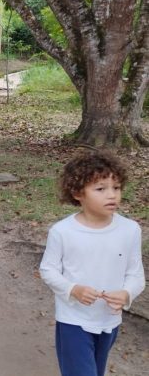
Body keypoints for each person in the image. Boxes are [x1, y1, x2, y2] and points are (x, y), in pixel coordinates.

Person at [39, 151, 145, 376]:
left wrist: (127, 294)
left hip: (109, 320)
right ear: (78, 193)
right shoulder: (63, 231)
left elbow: (135, 274)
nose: (112, 195)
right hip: (73, 320)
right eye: (101, 189)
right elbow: (48, 269)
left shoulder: (130, 230)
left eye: (116, 188)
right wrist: (73, 289)